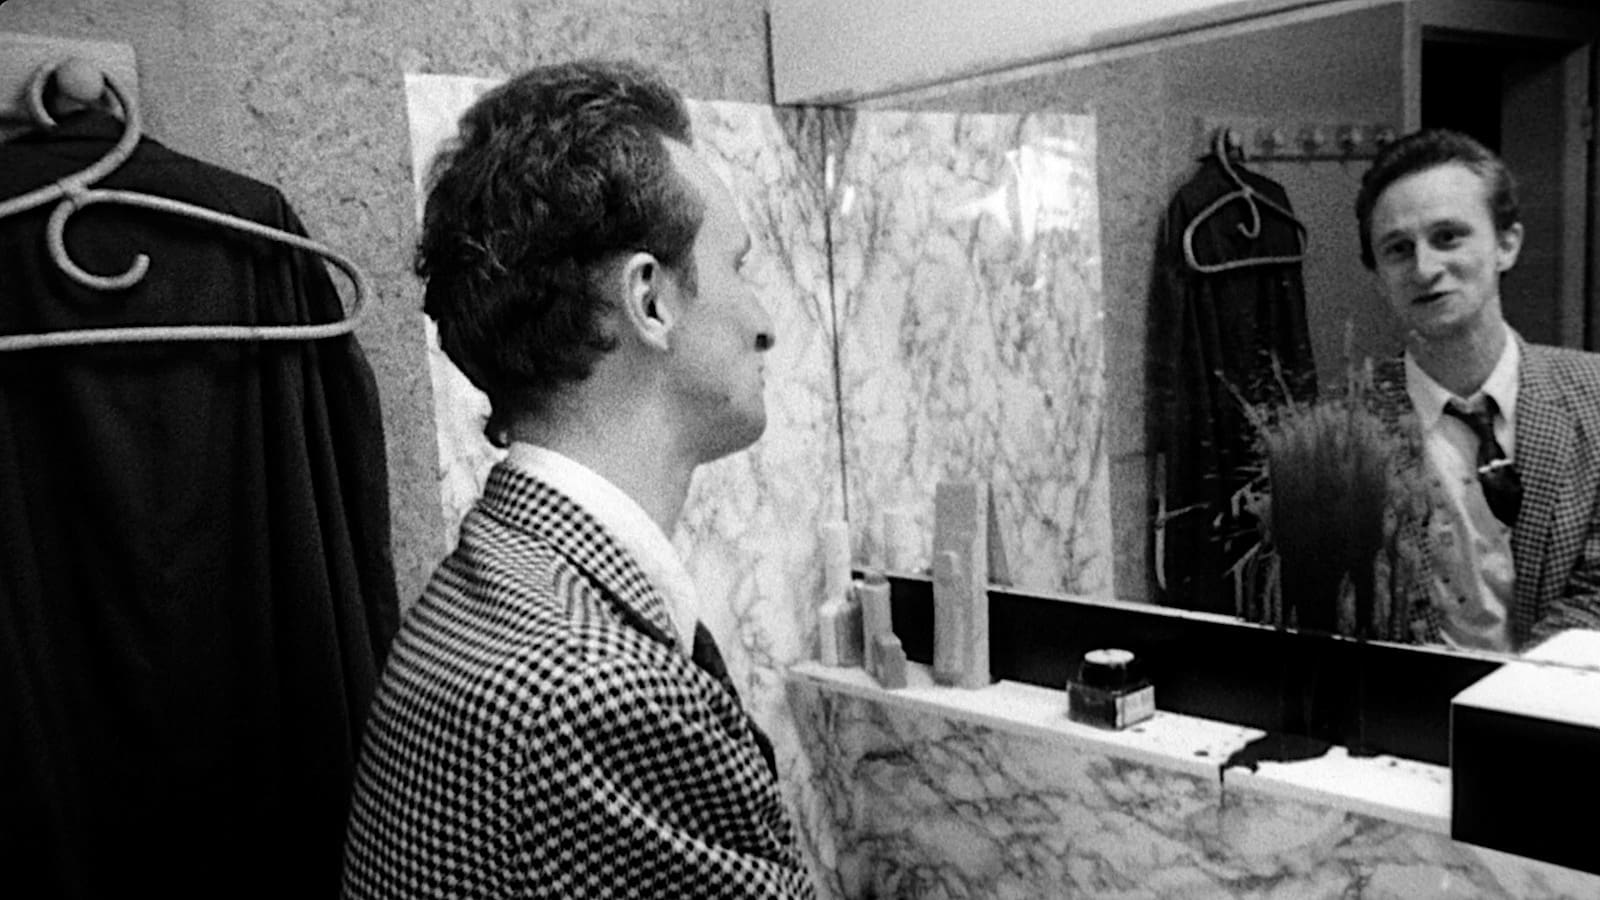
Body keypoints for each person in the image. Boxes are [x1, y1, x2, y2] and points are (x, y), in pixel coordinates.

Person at [341, 60, 814, 898]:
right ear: (651, 302)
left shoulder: (489, 590)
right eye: (738, 267)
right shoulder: (595, 695)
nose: (765, 324)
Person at [1356, 127, 1600, 653]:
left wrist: (1512, 692)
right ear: (1378, 278)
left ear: (1506, 245)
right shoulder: (1344, 435)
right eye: (1398, 250)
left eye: (1448, 237)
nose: (1425, 268)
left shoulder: (1596, 399)